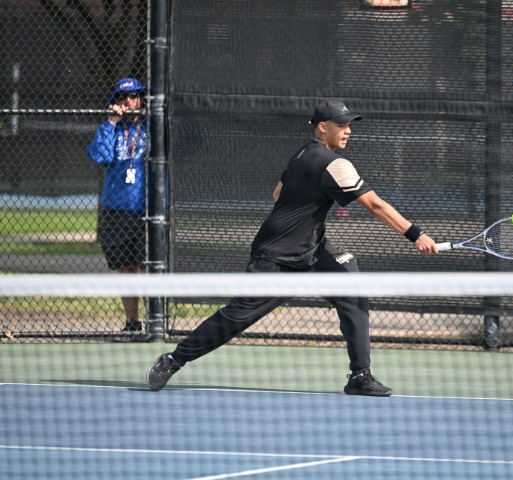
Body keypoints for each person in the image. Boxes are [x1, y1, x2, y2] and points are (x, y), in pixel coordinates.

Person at [147, 99, 438, 396]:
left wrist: (303, 222)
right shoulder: (335, 164)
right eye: (341, 125)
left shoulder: (301, 154)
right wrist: (416, 235)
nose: (348, 130)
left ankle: (360, 376)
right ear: (323, 127)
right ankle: (173, 359)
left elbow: (278, 194)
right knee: (237, 317)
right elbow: (374, 204)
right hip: (278, 255)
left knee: (353, 290)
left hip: (314, 248)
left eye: (349, 125)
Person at [87, 78, 148, 332]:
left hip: (148, 211)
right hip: (117, 211)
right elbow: (98, 155)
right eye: (123, 97)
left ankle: (155, 323)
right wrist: (111, 122)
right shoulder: (112, 129)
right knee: (126, 268)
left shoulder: (152, 126)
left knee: (148, 269)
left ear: (141, 98)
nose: (128, 101)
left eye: (133, 96)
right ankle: (132, 322)